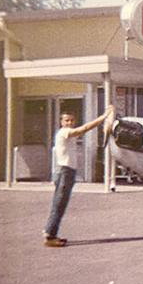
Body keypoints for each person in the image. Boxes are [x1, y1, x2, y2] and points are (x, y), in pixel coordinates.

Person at [43, 106, 114, 247]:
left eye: (71, 120)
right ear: (61, 122)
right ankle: (49, 235)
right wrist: (104, 116)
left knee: (60, 205)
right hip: (64, 172)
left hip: (68, 172)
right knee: (58, 204)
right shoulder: (64, 132)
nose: (69, 123)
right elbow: (84, 129)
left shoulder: (66, 133)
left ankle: (51, 233)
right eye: (66, 120)